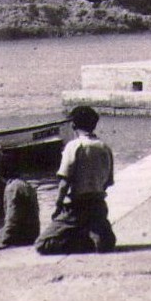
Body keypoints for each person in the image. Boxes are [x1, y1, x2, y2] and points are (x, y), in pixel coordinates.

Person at [35, 106, 117, 255]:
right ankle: (93, 236)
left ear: (73, 125)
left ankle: (80, 241)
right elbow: (108, 182)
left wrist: (58, 205)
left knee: (42, 244)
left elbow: (64, 182)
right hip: (98, 205)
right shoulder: (105, 147)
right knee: (104, 239)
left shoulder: (73, 146)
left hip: (76, 206)